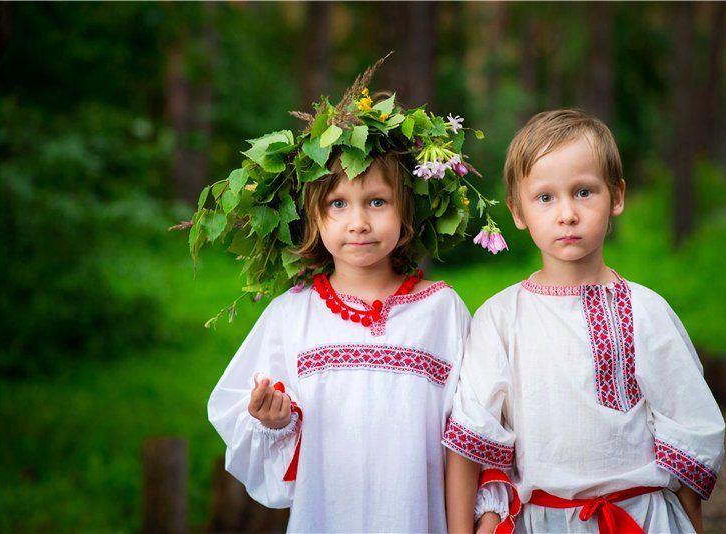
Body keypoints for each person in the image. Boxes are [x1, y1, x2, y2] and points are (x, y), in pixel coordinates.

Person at [205, 59, 505, 533]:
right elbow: (240, 419)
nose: (358, 222)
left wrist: (485, 515)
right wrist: (274, 421)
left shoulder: (441, 310)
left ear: (406, 213)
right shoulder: (292, 314)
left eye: (377, 202)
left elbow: (474, 426)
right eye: (338, 204)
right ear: (313, 218)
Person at [444, 109, 726, 534]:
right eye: (545, 197)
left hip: (638, 519)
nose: (567, 214)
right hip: (540, 522)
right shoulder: (500, 319)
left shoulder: (646, 311)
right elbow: (470, 442)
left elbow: (690, 437)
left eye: (583, 192)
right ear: (517, 211)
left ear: (616, 196)